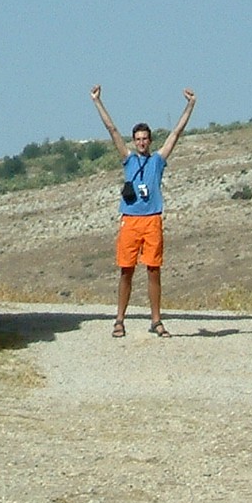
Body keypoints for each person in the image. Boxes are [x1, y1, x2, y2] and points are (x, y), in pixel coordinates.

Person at [90, 84, 196, 338]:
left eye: (144, 139)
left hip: (152, 221)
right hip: (130, 220)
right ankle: (119, 319)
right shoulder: (128, 159)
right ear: (134, 141)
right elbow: (112, 130)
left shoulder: (157, 160)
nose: (141, 142)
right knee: (126, 270)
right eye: (137, 139)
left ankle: (156, 320)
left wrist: (190, 105)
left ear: (150, 140)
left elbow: (176, 133)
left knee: (153, 270)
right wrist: (97, 101)